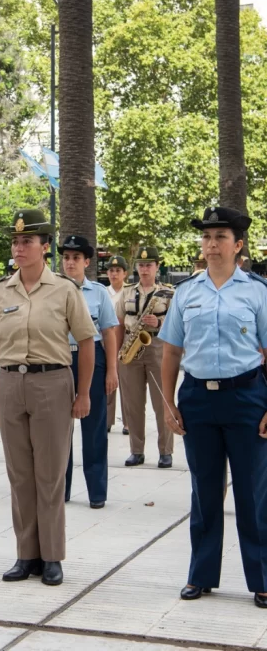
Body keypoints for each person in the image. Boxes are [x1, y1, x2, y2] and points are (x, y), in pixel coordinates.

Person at [0, 209, 96, 586]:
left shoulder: (64, 289)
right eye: (15, 242)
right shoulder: (0, 291)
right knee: (19, 476)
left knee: (50, 475)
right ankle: (25, 554)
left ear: (45, 247)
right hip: (11, 385)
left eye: (27, 241)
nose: (19, 248)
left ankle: (52, 556)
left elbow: (87, 341)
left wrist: (83, 392)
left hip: (52, 384)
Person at [160, 206, 267, 609]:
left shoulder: (257, 292)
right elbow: (171, 351)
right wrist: (169, 404)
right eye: (206, 238)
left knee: (253, 495)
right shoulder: (187, 292)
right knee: (204, 492)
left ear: (238, 245)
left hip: (247, 398)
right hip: (198, 399)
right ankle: (201, 575)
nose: (211, 244)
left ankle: (262, 579)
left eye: (220, 237)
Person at [60, 236, 119, 509]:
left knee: (94, 428)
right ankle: (61, 490)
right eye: (66, 258)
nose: (70, 263)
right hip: (59, 359)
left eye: (76, 258)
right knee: (60, 429)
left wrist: (112, 371)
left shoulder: (99, 293)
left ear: (86, 262)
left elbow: (108, 331)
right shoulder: (53, 289)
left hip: (93, 359)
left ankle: (97, 492)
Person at [115, 247, 174, 468]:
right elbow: (119, 324)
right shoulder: (127, 292)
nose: (145, 268)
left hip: (157, 346)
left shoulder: (168, 292)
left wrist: (158, 323)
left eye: (149, 264)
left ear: (157, 267)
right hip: (131, 346)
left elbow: (177, 325)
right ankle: (136, 450)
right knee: (133, 403)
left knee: (162, 402)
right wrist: (119, 353)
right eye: (141, 265)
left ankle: (165, 451)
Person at [105, 255, 128, 434]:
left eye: (117, 271)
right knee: (108, 382)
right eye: (111, 270)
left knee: (128, 386)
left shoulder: (129, 292)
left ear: (125, 273)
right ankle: (107, 420)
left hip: (127, 342)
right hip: (107, 341)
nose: (114, 274)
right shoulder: (103, 293)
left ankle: (128, 422)